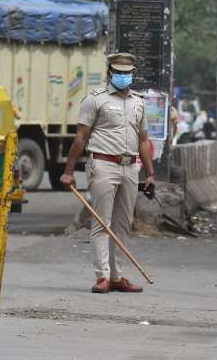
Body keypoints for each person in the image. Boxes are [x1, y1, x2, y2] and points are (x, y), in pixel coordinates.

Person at [60, 53, 155, 294]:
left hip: (131, 167)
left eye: (127, 73)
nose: (124, 77)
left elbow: (144, 140)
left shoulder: (139, 102)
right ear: (110, 73)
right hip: (103, 165)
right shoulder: (94, 100)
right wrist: (68, 171)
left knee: (123, 224)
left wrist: (150, 174)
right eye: (119, 72)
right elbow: (80, 137)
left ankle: (116, 276)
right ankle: (102, 276)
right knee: (102, 222)